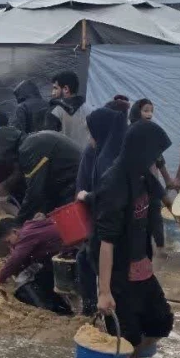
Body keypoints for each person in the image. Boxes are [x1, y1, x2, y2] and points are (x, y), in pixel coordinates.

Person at [93, 121, 173, 356]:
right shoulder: (113, 183)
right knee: (126, 336)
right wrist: (104, 292)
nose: (155, 159)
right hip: (118, 270)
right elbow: (105, 243)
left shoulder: (143, 175)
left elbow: (167, 200)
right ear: (141, 149)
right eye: (154, 153)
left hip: (142, 266)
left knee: (161, 323)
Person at [75, 106, 128, 315]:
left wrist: (86, 197)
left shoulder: (107, 159)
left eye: (91, 132)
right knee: (89, 259)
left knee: (96, 261)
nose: (89, 136)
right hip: (115, 222)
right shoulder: (109, 152)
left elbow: (107, 194)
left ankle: (97, 309)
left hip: (111, 222)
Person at [0, 127, 82, 223]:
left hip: (75, 182)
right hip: (72, 180)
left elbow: (34, 193)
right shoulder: (31, 140)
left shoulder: (28, 149)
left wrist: (17, 223)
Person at [0, 217, 72, 316]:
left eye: (9, 242)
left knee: (40, 279)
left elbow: (17, 258)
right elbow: (23, 259)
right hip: (63, 251)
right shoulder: (30, 228)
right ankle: (61, 308)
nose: (10, 246)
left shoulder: (26, 235)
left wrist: (1, 278)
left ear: (15, 232)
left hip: (68, 254)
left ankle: (54, 310)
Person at [45, 71, 92, 149]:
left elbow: (48, 143)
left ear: (66, 89)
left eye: (55, 88)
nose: (52, 93)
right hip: (86, 159)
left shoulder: (55, 111)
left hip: (63, 160)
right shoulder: (91, 110)